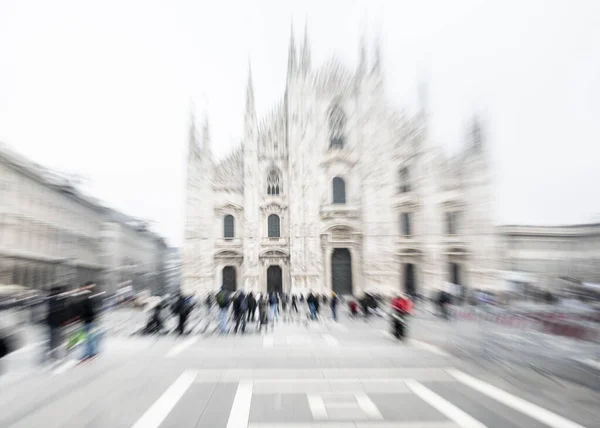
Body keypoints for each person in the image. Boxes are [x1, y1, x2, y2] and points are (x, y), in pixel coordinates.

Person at [45, 286, 67, 363]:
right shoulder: (59, 299)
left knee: (52, 339)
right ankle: (56, 355)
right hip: (58, 322)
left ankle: (52, 354)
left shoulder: (49, 299)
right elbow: (63, 310)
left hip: (51, 321)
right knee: (57, 339)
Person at [80, 283, 99, 360]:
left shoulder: (86, 302)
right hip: (90, 321)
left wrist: (83, 317)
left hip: (87, 322)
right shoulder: (90, 301)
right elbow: (93, 312)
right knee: (90, 338)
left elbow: (87, 312)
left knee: (87, 338)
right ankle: (92, 352)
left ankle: (88, 353)